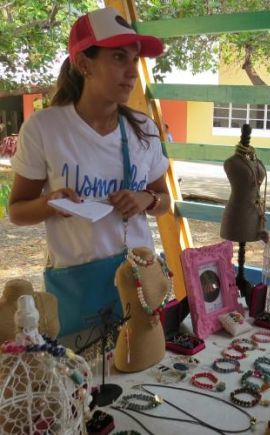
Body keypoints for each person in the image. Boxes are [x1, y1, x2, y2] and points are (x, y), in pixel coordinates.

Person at [8, 7, 170, 335]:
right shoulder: (44, 128)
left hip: (140, 279)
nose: (132, 71)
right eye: (119, 58)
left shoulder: (144, 130)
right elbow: (17, 211)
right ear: (84, 63)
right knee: (81, 363)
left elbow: (164, 200)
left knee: (143, 361)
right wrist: (49, 203)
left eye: (135, 59)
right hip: (77, 285)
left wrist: (146, 199)